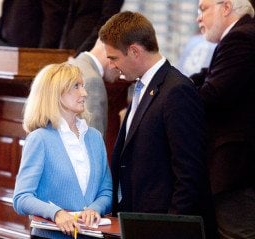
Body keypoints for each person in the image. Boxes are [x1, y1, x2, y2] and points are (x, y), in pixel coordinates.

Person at [99, 11, 217, 238]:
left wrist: (169, 228)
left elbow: (189, 172)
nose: (112, 65)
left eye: (114, 58)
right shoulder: (142, 87)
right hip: (138, 222)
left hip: (162, 227)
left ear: (134, 51)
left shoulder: (177, 90)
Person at [13, 63, 112, 238]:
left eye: (83, 86)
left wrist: (94, 209)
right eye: (76, 86)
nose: (84, 93)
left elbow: (106, 192)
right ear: (56, 93)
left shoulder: (95, 137)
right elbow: (21, 198)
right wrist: (56, 213)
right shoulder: (40, 139)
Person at [190, 0, 255, 237]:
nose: (198, 18)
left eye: (203, 9)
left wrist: (175, 97)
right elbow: (206, 78)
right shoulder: (238, 37)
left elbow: (213, 93)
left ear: (226, 7)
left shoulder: (241, 38)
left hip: (237, 170)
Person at [68, 38, 120, 137]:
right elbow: (92, 141)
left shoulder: (70, 65)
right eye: (122, 57)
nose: (122, 70)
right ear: (110, 52)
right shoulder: (92, 80)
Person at [60, 0, 124, 55]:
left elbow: (107, 22)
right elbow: (70, 16)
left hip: (92, 50)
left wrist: (81, 54)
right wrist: (63, 47)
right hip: (69, 48)